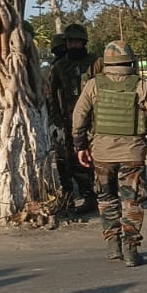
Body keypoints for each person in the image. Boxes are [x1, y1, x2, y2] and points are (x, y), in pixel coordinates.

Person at [72, 40, 147, 268]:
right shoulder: (141, 85)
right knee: (132, 200)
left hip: (102, 153)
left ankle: (113, 246)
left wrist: (80, 146)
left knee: (106, 199)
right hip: (132, 153)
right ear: (131, 61)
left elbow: (79, 116)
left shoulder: (94, 84)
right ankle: (131, 250)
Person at [49, 23, 97, 213]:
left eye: (77, 42)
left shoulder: (95, 62)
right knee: (73, 160)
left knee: (98, 159)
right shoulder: (59, 66)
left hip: (94, 119)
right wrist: (56, 120)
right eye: (70, 42)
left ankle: (102, 195)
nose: (73, 45)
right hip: (69, 120)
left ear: (84, 42)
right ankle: (85, 196)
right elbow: (52, 94)